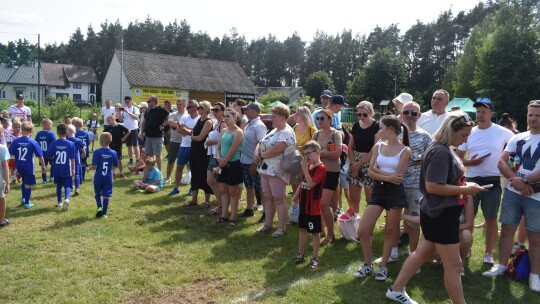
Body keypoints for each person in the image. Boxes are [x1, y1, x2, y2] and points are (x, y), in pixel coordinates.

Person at [386, 111, 485, 304]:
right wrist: (466, 189)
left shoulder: (443, 148)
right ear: (451, 130)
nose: (464, 140)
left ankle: (396, 289)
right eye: (463, 135)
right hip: (441, 214)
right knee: (455, 265)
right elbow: (433, 186)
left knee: (423, 252)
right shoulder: (440, 151)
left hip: (437, 212)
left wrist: (465, 188)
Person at [483, 100, 540, 292]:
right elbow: (501, 161)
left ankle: (534, 276)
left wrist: (522, 181)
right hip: (513, 192)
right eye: (530, 114)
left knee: (535, 237)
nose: (533, 118)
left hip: (536, 195)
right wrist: (517, 180)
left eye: (537, 115)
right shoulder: (518, 137)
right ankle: (501, 266)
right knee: (507, 230)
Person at [455, 98, 514, 266]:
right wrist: (470, 163)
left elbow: (517, 146)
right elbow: (458, 156)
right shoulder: (470, 131)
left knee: (490, 219)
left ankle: (488, 253)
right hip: (471, 180)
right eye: (478, 111)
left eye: (484, 111)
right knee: (468, 218)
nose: (480, 114)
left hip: (492, 181)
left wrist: (511, 166)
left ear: (491, 113)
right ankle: (467, 248)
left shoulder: (502, 132)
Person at [354, 115, 411, 282]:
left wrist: (382, 174)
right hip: (378, 190)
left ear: (391, 129)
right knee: (363, 230)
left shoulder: (405, 150)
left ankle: (383, 266)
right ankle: (368, 264)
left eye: (382, 128)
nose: (379, 131)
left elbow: (398, 178)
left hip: (395, 193)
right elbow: (370, 172)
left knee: (390, 231)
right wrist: (388, 177)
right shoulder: (378, 146)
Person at [254, 105, 296, 237]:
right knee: (267, 197)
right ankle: (268, 224)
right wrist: (257, 152)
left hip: (277, 171)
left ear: (283, 118)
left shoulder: (286, 132)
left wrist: (261, 156)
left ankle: (281, 228)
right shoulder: (275, 130)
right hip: (266, 170)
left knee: (279, 199)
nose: (271, 119)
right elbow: (261, 142)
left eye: (274, 117)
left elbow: (279, 148)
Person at [399, 101, 432, 258]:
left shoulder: (425, 136)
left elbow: (433, 159)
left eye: (413, 113)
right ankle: (392, 252)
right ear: (402, 114)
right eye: (406, 112)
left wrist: (421, 158)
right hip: (395, 183)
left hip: (415, 184)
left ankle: (413, 254)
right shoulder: (395, 133)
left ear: (419, 115)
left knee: (413, 222)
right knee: (393, 219)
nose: (409, 115)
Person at [292, 140, 326, 269]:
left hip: (314, 208)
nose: (306, 157)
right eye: (304, 154)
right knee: (302, 229)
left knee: (315, 232)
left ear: (317, 153)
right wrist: (295, 197)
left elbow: (311, 184)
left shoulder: (321, 168)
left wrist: (305, 169)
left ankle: (315, 257)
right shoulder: (309, 166)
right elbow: (303, 183)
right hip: (304, 205)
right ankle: (300, 253)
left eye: (308, 154)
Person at [312, 109, 342, 244]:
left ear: (330, 119)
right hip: (318, 170)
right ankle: (322, 230)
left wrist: (319, 154)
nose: (319, 121)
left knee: (324, 203)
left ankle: (331, 234)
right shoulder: (316, 134)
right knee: (318, 203)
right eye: (318, 118)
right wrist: (323, 153)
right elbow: (308, 153)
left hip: (331, 171)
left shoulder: (336, 134)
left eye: (322, 118)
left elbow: (337, 154)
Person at [347, 101, 380, 215]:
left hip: (370, 162)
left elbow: (375, 148)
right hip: (355, 160)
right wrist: (353, 163)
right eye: (359, 114)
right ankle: (353, 224)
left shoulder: (376, 126)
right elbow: (350, 147)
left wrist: (359, 163)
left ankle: (368, 227)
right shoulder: (356, 126)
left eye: (364, 114)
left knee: (370, 199)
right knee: (353, 199)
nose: (361, 117)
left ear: (371, 113)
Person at [215, 108, 244, 226]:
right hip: (222, 163)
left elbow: (233, 150)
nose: (225, 118)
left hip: (233, 164)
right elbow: (218, 147)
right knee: (223, 190)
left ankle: (233, 217)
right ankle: (224, 215)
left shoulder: (238, 132)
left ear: (234, 117)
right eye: (224, 116)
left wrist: (224, 161)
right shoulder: (223, 131)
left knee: (233, 192)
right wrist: (218, 158)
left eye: (228, 116)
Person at [239, 102, 267, 217]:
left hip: (254, 162)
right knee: (249, 186)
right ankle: (249, 209)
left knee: (260, 188)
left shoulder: (259, 125)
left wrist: (254, 163)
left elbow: (261, 145)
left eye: (248, 110)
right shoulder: (250, 124)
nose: (245, 112)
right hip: (245, 160)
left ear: (255, 111)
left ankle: (266, 212)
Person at [9, 121, 46, 209]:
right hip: (28, 165)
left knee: (24, 181)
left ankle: (23, 198)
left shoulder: (16, 141)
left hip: (19, 165)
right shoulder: (33, 142)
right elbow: (40, 156)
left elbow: (10, 152)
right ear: (32, 132)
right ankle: (27, 203)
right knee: (28, 184)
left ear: (21, 130)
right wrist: (43, 166)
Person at [183, 101, 213, 207]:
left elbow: (200, 138)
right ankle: (194, 199)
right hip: (194, 150)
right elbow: (194, 131)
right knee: (194, 173)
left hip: (203, 152)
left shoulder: (208, 122)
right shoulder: (200, 119)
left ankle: (207, 200)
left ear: (204, 109)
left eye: (199, 107)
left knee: (203, 174)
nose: (198, 109)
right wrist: (184, 129)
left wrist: (190, 136)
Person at [169, 100, 200, 196]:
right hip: (184, 146)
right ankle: (176, 188)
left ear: (195, 107)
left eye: (189, 107)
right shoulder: (185, 116)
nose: (187, 109)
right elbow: (179, 130)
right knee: (179, 167)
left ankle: (192, 188)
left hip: (194, 147)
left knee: (193, 169)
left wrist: (186, 129)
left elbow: (196, 132)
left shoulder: (199, 118)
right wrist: (190, 130)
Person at [87, 132, 118, 218]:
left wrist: (89, 168)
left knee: (97, 193)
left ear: (100, 141)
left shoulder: (97, 152)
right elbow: (115, 165)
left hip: (98, 177)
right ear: (110, 141)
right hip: (108, 178)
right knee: (106, 195)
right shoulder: (113, 153)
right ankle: (104, 213)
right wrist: (113, 170)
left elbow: (94, 166)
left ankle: (99, 207)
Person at [47, 124, 76, 211]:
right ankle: (66, 199)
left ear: (57, 133)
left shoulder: (54, 143)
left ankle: (59, 202)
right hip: (67, 168)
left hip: (57, 168)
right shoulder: (70, 144)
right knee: (67, 185)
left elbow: (49, 155)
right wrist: (73, 169)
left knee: (59, 186)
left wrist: (54, 158)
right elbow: (72, 158)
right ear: (67, 132)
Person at [292, 106, 317, 196]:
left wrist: (303, 148)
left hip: (308, 161)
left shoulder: (312, 129)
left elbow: (316, 147)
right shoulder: (295, 127)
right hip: (295, 159)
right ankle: (296, 203)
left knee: (305, 183)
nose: (294, 115)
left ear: (304, 115)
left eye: (297, 113)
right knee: (295, 182)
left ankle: (305, 201)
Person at [139, 95, 169, 171]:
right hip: (148, 136)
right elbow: (144, 122)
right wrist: (142, 133)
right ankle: (151, 171)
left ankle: (159, 172)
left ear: (154, 102)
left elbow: (169, 118)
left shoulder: (161, 109)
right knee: (149, 154)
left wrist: (163, 125)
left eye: (149, 101)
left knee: (158, 155)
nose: (148, 103)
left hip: (157, 136)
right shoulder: (148, 111)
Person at [206, 102, 226, 213]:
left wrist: (212, 142)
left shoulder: (223, 123)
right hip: (213, 154)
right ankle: (220, 204)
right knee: (210, 181)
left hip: (219, 156)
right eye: (213, 109)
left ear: (223, 111)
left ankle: (222, 206)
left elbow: (225, 140)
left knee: (216, 182)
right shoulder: (216, 123)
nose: (214, 112)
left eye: (217, 110)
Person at [165, 99, 186, 184]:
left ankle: (188, 176)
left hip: (186, 141)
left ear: (185, 105)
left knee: (187, 161)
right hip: (174, 140)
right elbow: (171, 123)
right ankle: (168, 177)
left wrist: (178, 125)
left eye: (180, 104)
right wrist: (182, 126)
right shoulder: (173, 114)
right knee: (171, 160)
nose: (178, 106)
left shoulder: (188, 115)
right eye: (177, 104)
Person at [119, 96, 140, 165]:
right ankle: (131, 160)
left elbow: (136, 117)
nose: (126, 103)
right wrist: (119, 112)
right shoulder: (125, 110)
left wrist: (127, 112)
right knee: (129, 146)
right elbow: (121, 120)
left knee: (135, 145)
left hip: (134, 129)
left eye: (127, 101)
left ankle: (137, 160)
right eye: (125, 102)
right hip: (126, 130)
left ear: (131, 101)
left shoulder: (135, 108)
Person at [66, 124, 86, 197]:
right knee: (77, 174)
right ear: (75, 132)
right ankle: (77, 188)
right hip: (76, 159)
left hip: (68, 160)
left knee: (69, 174)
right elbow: (83, 149)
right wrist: (84, 154)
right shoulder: (78, 140)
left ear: (67, 132)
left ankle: (70, 186)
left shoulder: (66, 140)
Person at [35, 119, 56, 184]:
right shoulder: (51, 133)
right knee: (53, 164)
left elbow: (36, 143)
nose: (51, 127)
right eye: (50, 125)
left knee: (44, 166)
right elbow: (54, 143)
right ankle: (52, 177)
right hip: (50, 153)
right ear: (46, 125)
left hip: (41, 154)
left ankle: (44, 180)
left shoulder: (38, 133)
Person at [0, 138, 10, 228]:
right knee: (1, 199)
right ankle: (1, 221)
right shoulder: (2, 148)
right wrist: (7, 183)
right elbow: (5, 166)